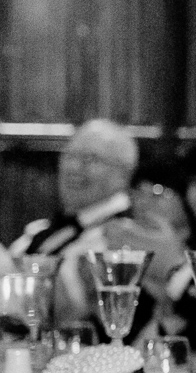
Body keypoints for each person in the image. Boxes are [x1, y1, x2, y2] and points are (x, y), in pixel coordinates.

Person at [10, 120, 139, 323]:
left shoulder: (127, 234)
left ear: (123, 175)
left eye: (91, 159)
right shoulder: (49, 228)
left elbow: (77, 316)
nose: (74, 167)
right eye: (70, 156)